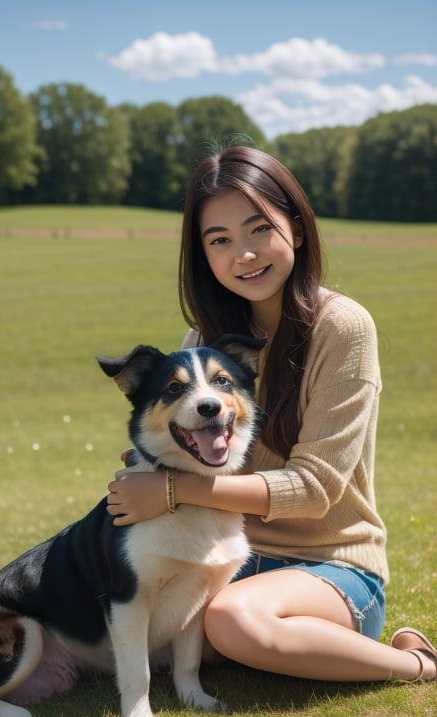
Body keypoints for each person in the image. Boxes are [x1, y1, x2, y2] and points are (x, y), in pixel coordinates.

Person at [107, 144, 436, 683]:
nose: (245, 254)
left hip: (331, 566)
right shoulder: (205, 341)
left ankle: (417, 664)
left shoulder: (344, 328)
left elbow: (314, 489)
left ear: (297, 229)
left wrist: (172, 490)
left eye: (260, 228)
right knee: (134, 609)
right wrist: (156, 463)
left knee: (232, 621)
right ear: (204, 256)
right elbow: (194, 446)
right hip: (231, 554)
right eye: (220, 240)